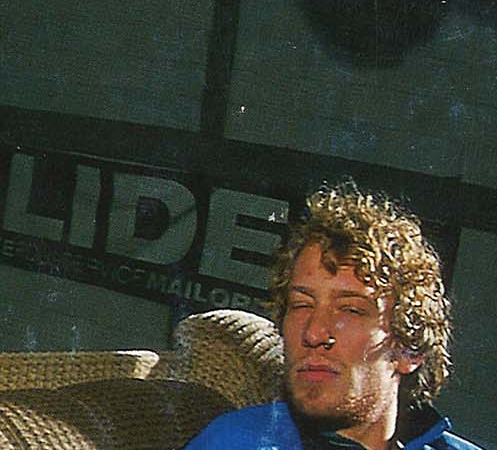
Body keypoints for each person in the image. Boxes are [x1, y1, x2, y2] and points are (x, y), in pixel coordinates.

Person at [186, 182, 480, 450]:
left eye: (351, 309)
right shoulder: (233, 442)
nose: (313, 333)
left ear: (409, 350)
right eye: (301, 305)